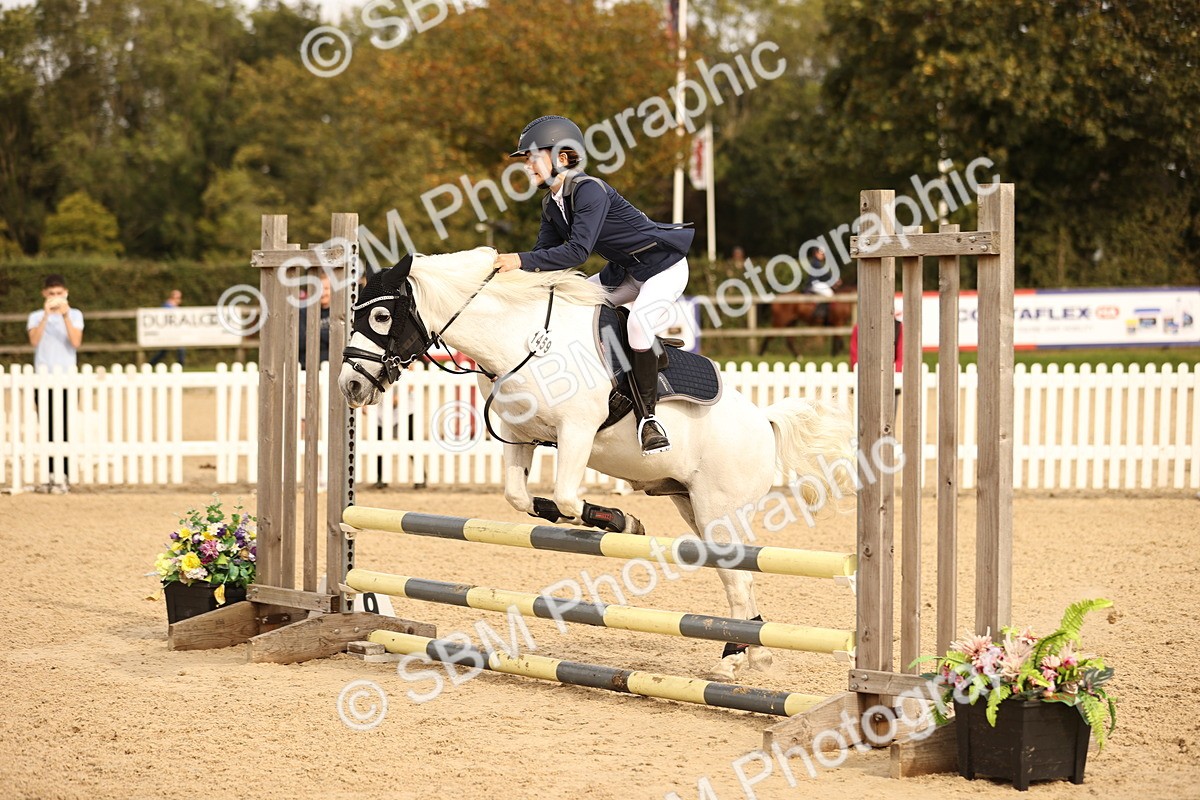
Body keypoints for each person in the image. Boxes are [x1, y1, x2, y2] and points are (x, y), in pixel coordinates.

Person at [494, 115, 694, 456]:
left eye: (532, 156)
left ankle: (649, 421)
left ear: (561, 157)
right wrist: (506, 276)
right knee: (572, 306)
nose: (527, 165)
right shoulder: (551, 205)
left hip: (664, 267)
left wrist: (517, 259)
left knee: (636, 325)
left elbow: (576, 252)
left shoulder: (589, 190)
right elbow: (543, 257)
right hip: (626, 271)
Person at [26, 274, 84, 493]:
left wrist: (65, 315)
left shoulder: (75, 315)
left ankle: (65, 475)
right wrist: (45, 316)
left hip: (67, 377)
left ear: (66, 293)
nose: (55, 297)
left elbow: (76, 341)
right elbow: (34, 340)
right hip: (43, 377)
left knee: (66, 427)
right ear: (44, 294)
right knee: (48, 426)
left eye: (59, 294)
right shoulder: (35, 316)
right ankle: (50, 474)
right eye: (51, 294)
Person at [298, 272, 331, 366]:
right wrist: (328, 336)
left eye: (326, 288)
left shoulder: (340, 313)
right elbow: (301, 343)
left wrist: (313, 333)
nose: (323, 293)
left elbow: (342, 342)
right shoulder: (303, 312)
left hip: (334, 366)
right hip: (307, 366)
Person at [149, 289, 186, 367]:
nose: (179, 299)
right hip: (168, 332)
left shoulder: (174, 307)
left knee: (167, 350)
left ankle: (151, 364)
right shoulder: (167, 306)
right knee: (178, 348)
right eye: (177, 297)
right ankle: (180, 365)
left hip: (174, 332)